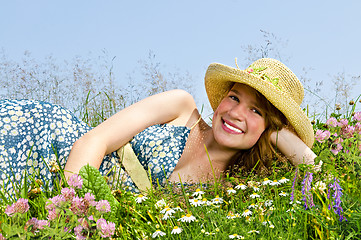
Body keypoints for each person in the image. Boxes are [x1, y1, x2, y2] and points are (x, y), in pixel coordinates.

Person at [0, 58, 316, 196]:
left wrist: (280, 134)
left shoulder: (235, 191)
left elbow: (319, 177)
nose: (235, 113)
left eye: (256, 110)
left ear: (268, 130)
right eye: (234, 96)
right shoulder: (180, 107)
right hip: (50, 144)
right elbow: (94, 140)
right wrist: (75, 210)